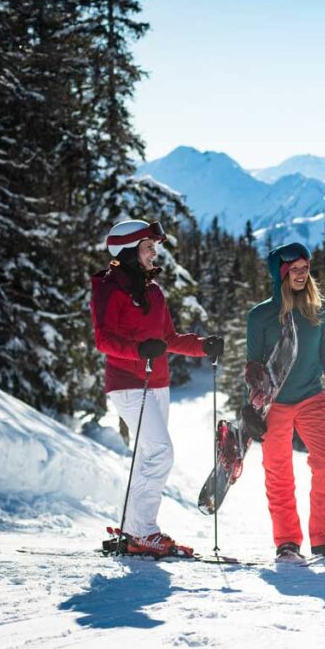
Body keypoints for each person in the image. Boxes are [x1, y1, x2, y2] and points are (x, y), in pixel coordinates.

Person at [91, 219, 224, 557]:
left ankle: (135, 529)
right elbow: (104, 339)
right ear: (129, 252)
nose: (155, 253)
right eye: (148, 247)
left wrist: (202, 345)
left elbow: (169, 339)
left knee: (148, 455)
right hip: (127, 383)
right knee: (160, 452)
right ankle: (144, 531)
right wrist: (137, 351)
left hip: (157, 383)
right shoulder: (109, 287)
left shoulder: (153, 291)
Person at [244, 242, 325, 562]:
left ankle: (324, 539)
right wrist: (248, 408)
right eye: (294, 269)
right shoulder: (260, 316)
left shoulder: (320, 310)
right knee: (278, 472)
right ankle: (287, 541)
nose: (302, 274)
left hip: (311, 398)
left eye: (305, 268)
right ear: (280, 274)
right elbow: (253, 365)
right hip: (274, 403)